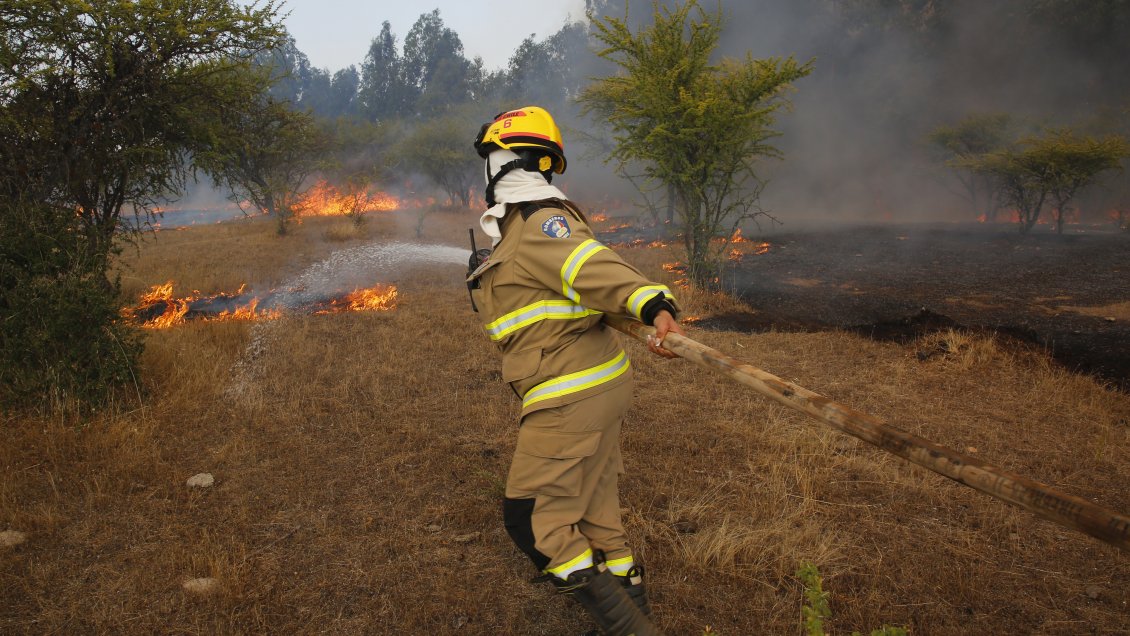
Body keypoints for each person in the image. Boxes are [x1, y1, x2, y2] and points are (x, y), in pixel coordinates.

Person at [467, 106, 683, 636]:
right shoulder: (521, 226)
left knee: (531, 520)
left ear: (507, 162)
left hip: (571, 391)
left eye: (490, 158)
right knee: (592, 508)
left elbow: (590, 266)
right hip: (595, 383)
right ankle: (630, 602)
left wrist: (652, 302)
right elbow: (546, 289)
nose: (484, 169)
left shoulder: (540, 219)